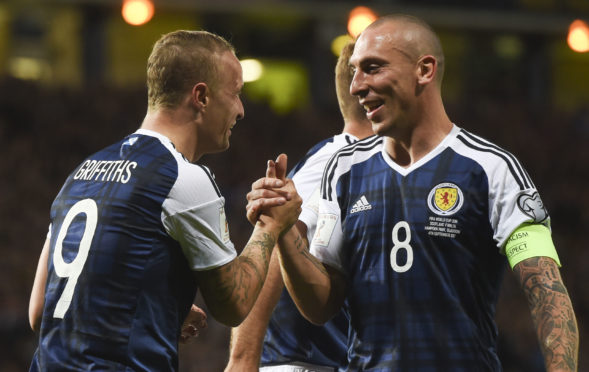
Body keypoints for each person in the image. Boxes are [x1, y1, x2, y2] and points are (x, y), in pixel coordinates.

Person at [249, 14, 579, 371]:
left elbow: (546, 291)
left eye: (373, 68)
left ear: (424, 70)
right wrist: (283, 233)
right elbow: (320, 306)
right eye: (355, 71)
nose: (357, 86)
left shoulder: (491, 169)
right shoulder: (343, 170)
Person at [27, 30, 301, 371]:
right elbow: (233, 303)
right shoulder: (182, 177)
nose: (241, 110)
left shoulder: (80, 174)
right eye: (235, 94)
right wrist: (270, 225)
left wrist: (150, 301)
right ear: (201, 96)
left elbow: (40, 311)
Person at [225, 41, 373, 371]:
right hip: (305, 362)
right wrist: (243, 359)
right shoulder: (338, 162)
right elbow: (274, 242)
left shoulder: (358, 160)